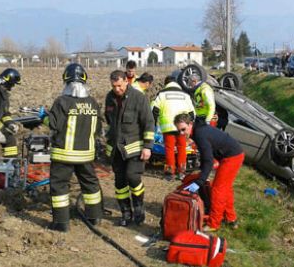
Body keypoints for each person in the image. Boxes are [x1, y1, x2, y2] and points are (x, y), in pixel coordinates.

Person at [47, 63, 103, 232]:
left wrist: (44, 117)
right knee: (90, 185)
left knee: (59, 186)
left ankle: (61, 223)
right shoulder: (93, 103)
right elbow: (99, 129)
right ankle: (95, 217)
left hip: (64, 154)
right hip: (86, 155)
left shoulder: (62, 101)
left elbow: (53, 125)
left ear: (66, 82)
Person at [174, 113, 244, 232]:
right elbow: (206, 154)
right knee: (225, 188)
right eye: (179, 130)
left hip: (232, 156)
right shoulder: (198, 130)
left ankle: (214, 223)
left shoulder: (200, 134)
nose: (181, 133)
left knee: (218, 189)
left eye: (183, 129)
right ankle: (231, 219)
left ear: (190, 124)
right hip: (232, 153)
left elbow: (208, 161)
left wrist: (200, 181)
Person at [104, 70, 154, 226]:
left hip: (134, 147)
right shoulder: (109, 98)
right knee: (119, 182)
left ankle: (138, 207)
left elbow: (148, 122)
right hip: (115, 148)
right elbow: (109, 119)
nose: (117, 89)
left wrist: (147, 146)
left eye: (119, 85)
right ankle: (126, 212)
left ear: (126, 81)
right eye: (114, 86)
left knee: (132, 177)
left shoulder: (138, 98)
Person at [151, 76, 195, 180]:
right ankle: (182, 173)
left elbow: (154, 110)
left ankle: (170, 173)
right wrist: (189, 125)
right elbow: (192, 113)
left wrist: (153, 123)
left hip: (168, 126)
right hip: (182, 126)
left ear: (166, 83)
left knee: (169, 149)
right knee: (181, 148)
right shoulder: (185, 95)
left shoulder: (161, 95)